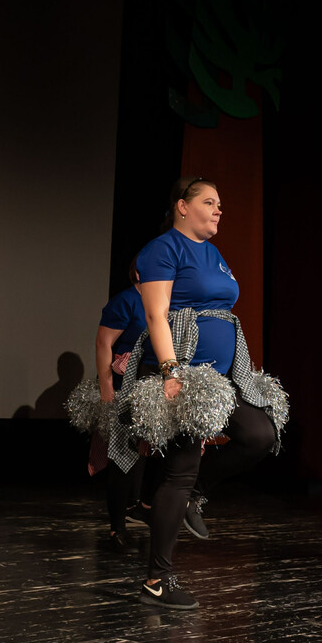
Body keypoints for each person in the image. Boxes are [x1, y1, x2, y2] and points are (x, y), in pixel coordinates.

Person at [123, 176, 278, 610]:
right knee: (179, 470)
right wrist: (171, 373)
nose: (218, 209)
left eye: (219, 203)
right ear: (182, 206)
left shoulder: (213, 253)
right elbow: (156, 315)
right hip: (183, 373)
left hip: (221, 380)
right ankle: (157, 580)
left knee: (260, 435)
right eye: (209, 202)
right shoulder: (163, 249)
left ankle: (197, 493)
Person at [92, 267, 148, 550]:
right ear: (138, 272)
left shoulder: (161, 300)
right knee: (123, 455)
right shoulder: (127, 301)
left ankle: (137, 506)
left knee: (146, 453)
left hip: (150, 386)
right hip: (124, 385)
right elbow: (104, 342)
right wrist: (107, 389)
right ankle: (117, 527)